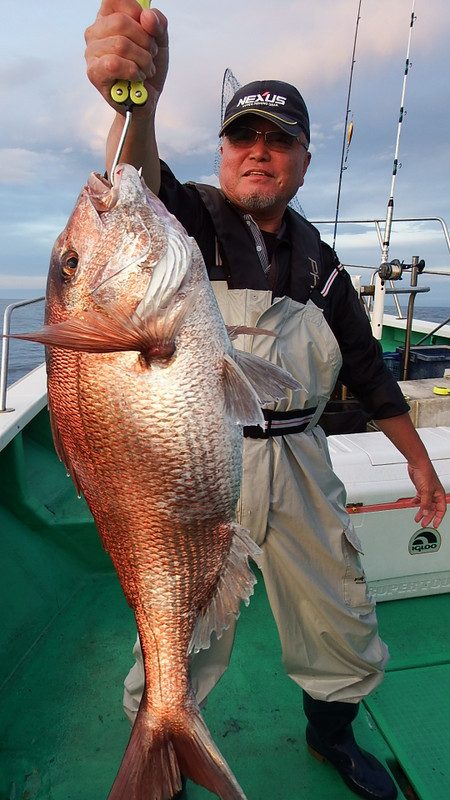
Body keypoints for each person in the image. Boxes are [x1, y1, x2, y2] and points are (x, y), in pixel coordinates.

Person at [85, 4, 447, 799]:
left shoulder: (322, 264)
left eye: (278, 140)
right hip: (205, 457)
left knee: (341, 612)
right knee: (186, 624)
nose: (259, 152)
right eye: (243, 137)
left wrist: (421, 466)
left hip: (302, 459)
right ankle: (163, 749)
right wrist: (133, 101)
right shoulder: (184, 225)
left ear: (304, 159)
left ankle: (333, 738)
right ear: (221, 151)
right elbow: (134, 181)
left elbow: (372, 375)